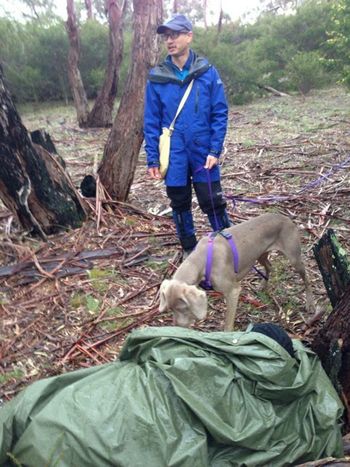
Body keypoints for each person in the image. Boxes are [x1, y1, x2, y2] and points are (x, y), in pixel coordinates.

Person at [144, 14, 231, 257]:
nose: (170, 41)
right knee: (179, 202)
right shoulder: (157, 77)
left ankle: (230, 247)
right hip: (174, 154)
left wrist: (215, 149)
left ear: (189, 36)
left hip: (204, 151)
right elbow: (151, 121)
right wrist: (152, 158)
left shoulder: (207, 72)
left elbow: (219, 112)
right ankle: (190, 251)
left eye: (175, 35)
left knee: (212, 199)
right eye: (166, 36)